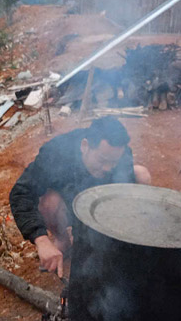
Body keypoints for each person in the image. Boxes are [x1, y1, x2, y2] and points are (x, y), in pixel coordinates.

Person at [9, 117, 151, 277]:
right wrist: (41, 240)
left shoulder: (121, 154)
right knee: (49, 202)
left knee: (141, 175)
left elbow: (123, 197)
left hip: (99, 205)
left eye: (113, 163)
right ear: (85, 146)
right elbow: (20, 193)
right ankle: (63, 241)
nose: (107, 168)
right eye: (102, 160)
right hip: (66, 207)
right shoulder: (56, 154)